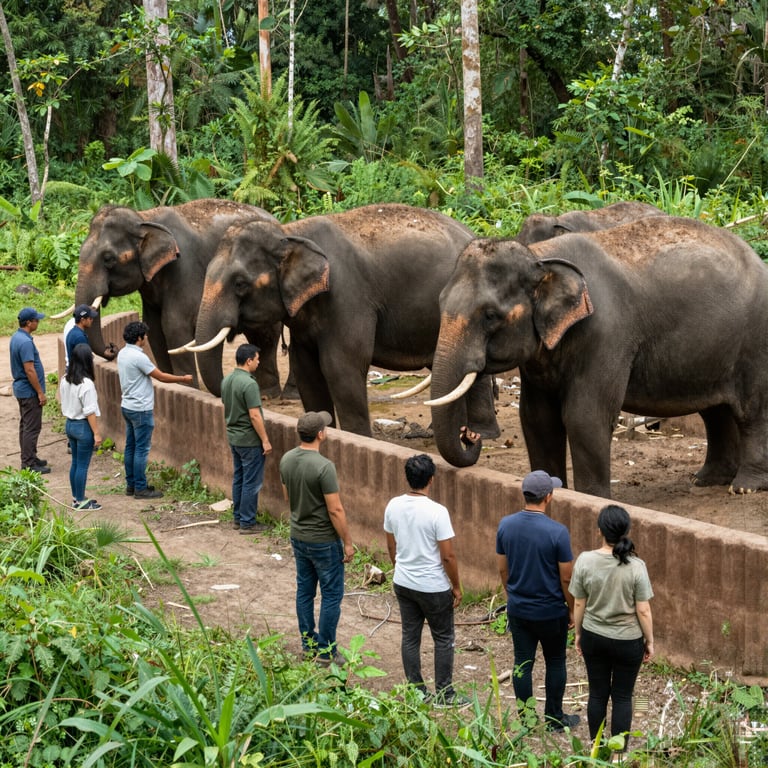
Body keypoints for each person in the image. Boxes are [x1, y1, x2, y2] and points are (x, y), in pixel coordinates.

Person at [496, 470, 580, 731]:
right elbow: (566, 577)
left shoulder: (506, 525)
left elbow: (502, 569)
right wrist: (571, 609)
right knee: (555, 661)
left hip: (519, 609)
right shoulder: (558, 532)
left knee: (522, 662)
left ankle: (526, 719)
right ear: (548, 497)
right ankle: (554, 718)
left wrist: (512, 596)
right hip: (551, 611)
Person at [384, 453, 467, 707]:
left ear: (408, 478)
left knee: (410, 636)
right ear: (431, 479)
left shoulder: (393, 505)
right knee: (443, 638)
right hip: (433, 585)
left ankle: (416, 691)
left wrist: (399, 567)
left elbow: (391, 544)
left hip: (404, 581)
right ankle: (445, 693)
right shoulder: (437, 512)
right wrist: (456, 586)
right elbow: (448, 556)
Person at [569, 505, 654, 749]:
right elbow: (643, 610)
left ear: (600, 531)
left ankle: (596, 749)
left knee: (597, 694)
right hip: (628, 641)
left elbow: (579, 602)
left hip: (594, 636)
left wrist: (578, 633)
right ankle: (618, 753)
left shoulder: (585, 560)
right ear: (627, 531)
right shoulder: (636, 566)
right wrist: (649, 641)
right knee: (623, 697)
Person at [279, 411, 354, 665]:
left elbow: (288, 498)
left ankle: (308, 644)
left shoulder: (287, 459)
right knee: (331, 595)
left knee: (305, 591)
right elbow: (335, 510)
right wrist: (347, 542)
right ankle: (326, 651)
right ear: (321, 434)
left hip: (298, 536)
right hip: (324, 540)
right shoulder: (324, 466)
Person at [117, 321, 193, 499]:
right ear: (139, 338)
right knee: (141, 449)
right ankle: (140, 488)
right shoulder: (139, 357)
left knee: (130, 446)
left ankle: (131, 485)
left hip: (127, 406)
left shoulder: (122, 353)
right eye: (145, 335)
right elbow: (160, 377)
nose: (146, 337)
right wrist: (182, 378)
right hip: (140, 409)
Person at [221, 343, 272, 533]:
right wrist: (265, 440)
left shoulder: (227, 380)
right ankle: (248, 522)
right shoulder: (249, 384)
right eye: (257, 359)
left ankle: (238, 518)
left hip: (234, 437)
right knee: (251, 482)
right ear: (249, 361)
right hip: (250, 440)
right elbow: (255, 415)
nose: (259, 363)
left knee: (239, 478)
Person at [60, 343, 103, 510]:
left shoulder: (65, 379)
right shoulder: (87, 384)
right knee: (83, 465)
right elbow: (90, 411)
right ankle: (80, 501)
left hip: (70, 424)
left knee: (76, 463)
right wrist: (96, 433)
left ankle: (76, 498)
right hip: (82, 427)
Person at [10, 307, 51, 474]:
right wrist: (40, 392)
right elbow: (29, 370)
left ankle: (30, 457)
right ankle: (28, 463)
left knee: (26, 426)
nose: (38, 322)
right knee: (31, 428)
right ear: (28, 323)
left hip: (22, 390)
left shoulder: (17, 337)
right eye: (36, 320)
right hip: (29, 392)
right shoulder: (25, 342)